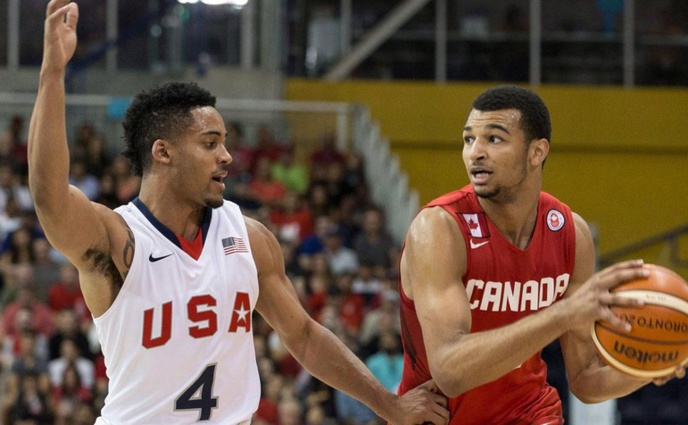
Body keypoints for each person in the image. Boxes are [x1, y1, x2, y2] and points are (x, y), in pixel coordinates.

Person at [28, 2, 449, 424]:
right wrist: (53, 74)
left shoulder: (248, 236)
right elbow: (49, 197)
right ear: (163, 152)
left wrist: (389, 405)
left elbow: (303, 336)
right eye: (210, 143)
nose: (227, 156)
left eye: (225, 143)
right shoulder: (119, 238)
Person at [395, 85, 688, 424]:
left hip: (531, 414)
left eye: (494, 139)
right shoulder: (439, 229)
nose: (475, 153)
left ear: (536, 152)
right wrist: (563, 314)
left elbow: (587, 379)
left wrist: (654, 364)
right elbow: (450, 372)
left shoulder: (571, 234)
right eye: (469, 139)